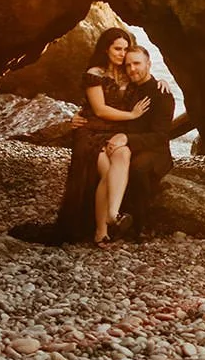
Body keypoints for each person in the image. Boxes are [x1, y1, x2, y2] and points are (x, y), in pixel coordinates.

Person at [50, 27, 149, 244]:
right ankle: (101, 231)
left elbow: (146, 80)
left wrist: (162, 83)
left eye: (125, 49)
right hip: (91, 131)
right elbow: (100, 110)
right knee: (106, 169)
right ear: (106, 50)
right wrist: (132, 115)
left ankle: (113, 216)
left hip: (115, 132)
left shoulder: (128, 73)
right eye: (117, 49)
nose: (122, 54)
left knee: (122, 155)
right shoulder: (94, 74)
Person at [119, 45, 177, 239]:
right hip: (131, 146)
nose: (132, 69)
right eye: (128, 65)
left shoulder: (162, 93)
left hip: (157, 152)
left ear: (149, 64)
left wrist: (128, 139)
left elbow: (160, 136)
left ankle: (141, 225)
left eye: (137, 63)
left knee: (137, 167)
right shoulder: (127, 90)